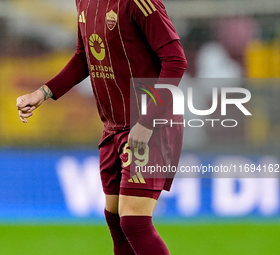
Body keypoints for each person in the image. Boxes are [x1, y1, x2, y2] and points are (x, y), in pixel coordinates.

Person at [16, 0, 187, 254]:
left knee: (134, 222)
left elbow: (175, 60)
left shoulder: (138, 3)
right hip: (113, 127)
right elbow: (84, 57)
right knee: (116, 221)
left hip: (150, 125)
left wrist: (147, 122)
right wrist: (43, 93)